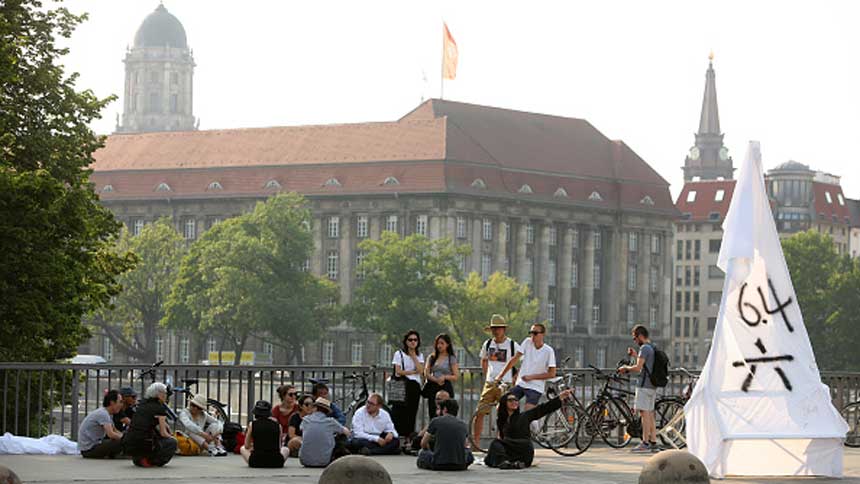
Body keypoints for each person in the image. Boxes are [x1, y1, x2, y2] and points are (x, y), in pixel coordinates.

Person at [484, 389, 573, 469]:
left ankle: (505, 462)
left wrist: (560, 397)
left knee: (495, 444)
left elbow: (542, 409)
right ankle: (509, 463)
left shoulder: (524, 416)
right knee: (494, 447)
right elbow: (502, 439)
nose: (514, 402)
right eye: (510, 400)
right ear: (504, 403)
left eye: (516, 400)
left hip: (524, 448)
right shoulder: (502, 421)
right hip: (511, 448)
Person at [473, 314, 522, 445]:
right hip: (490, 383)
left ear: (504, 329)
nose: (496, 331)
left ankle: (503, 442)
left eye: (499, 328)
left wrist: (515, 376)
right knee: (480, 412)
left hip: (505, 384)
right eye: (494, 328)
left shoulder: (512, 344)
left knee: (504, 415)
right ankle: (475, 443)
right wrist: (487, 375)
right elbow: (483, 360)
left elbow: (521, 359)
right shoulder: (488, 344)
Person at [618, 324, 658, 453]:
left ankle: (645, 443)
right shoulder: (652, 347)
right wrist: (636, 355)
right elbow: (645, 365)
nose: (634, 341)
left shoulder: (644, 348)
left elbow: (638, 368)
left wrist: (625, 368)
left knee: (644, 414)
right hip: (652, 385)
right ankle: (653, 442)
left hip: (644, 385)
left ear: (641, 336)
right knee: (650, 414)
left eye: (635, 338)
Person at [122, 382, 177, 467]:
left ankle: (139, 458)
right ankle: (152, 461)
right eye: (165, 393)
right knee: (172, 442)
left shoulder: (141, 404)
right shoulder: (159, 408)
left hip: (130, 443)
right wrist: (173, 437)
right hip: (145, 444)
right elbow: (163, 433)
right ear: (159, 394)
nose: (166, 396)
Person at [416, 399, 474, 471]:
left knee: (422, 453)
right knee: (469, 454)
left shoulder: (435, 421)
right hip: (460, 465)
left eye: (439, 409)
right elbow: (465, 445)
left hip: (439, 464)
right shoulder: (463, 424)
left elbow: (423, 443)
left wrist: (428, 450)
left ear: (445, 409)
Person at [511, 323, 556, 411]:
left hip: (536, 386)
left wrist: (531, 377)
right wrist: (502, 375)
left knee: (528, 412)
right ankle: (515, 423)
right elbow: (515, 359)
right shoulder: (527, 342)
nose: (532, 335)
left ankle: (533, 424)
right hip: (521, 384)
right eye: (531, 333)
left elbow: (552, 374)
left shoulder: (549, 351)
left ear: (542, 334)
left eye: (535, 333)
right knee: (505, 403)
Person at [390, 330, 424, 439]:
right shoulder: (399, 354)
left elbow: (421, 370)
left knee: (412, 414)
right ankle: (397, 437)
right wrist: (413, 372)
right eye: (410, 340)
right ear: (406, 341)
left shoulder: (419, 355)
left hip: (415, 387)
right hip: (402, 386)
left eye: (415, 340)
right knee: (399, 413)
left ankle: (409, 437)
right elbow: (398, 371)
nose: (413, 342)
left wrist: (413, 356)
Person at [299, 397, 351, 467]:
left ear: (315, 408)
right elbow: (347, 432)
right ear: (327, 411)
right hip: (324, 462)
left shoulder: (305, 420)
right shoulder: (330, 421)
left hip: (305, 461)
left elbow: (303, 430)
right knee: (341, 437)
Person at [240, 400, 289, 468]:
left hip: (256, 462)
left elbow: (246, 446)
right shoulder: (278, 426)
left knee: (242, 448)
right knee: (286, 449)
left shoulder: (252, 425)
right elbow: (279, 447)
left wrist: (253, 446)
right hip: (276, 462)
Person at [78, 389, 124, 458]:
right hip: (89, 449)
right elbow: (111, 434)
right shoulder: (103, 414)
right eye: (120, 402)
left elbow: (115, 430)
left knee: (122, 440)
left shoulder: (107, 414)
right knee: (118, 443)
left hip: (92, 446)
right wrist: (125, 440)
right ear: (112, 402)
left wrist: (125, 436)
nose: (121, 405)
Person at [423, 334, 459, 421]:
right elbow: (426, 373)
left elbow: (455, 376)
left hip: (445, 386)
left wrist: (445, 377)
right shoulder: (432, 357)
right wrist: (435, 379)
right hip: (433, 386)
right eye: (438, 343)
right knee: (433, 411)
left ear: (447, 344)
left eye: (442, 343)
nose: (439, 346)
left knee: (446, 411)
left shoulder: (451, 358)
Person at [408, 389, 450, 454]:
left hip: (439, 439)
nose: (436, 401)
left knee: (417, 441)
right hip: (434, 435)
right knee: (413, 435)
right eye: (436, 399)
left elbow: (429, 428)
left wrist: (418, 438)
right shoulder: (437, 410)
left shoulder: (444, 412)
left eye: (439, 399)